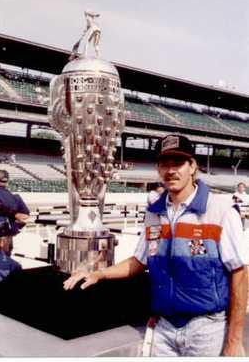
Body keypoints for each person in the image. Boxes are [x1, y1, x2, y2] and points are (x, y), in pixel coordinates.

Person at [63, 134, 248, 357]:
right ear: (158, 169)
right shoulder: (153, 214)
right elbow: (138, 261)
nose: (171, 170)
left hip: (206, 329)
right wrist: (99, 274)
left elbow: (240, 273)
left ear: (192, 166)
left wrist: (234, 340)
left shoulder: (221, 210)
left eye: (178, 163)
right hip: (164, 328)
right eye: (164, 164)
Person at [0, 170, 30, 256]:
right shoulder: (16, 198)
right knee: (6, 260)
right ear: (7, 181)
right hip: (7, 236)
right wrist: (16, 225)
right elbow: (26, 216)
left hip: (2, 233)